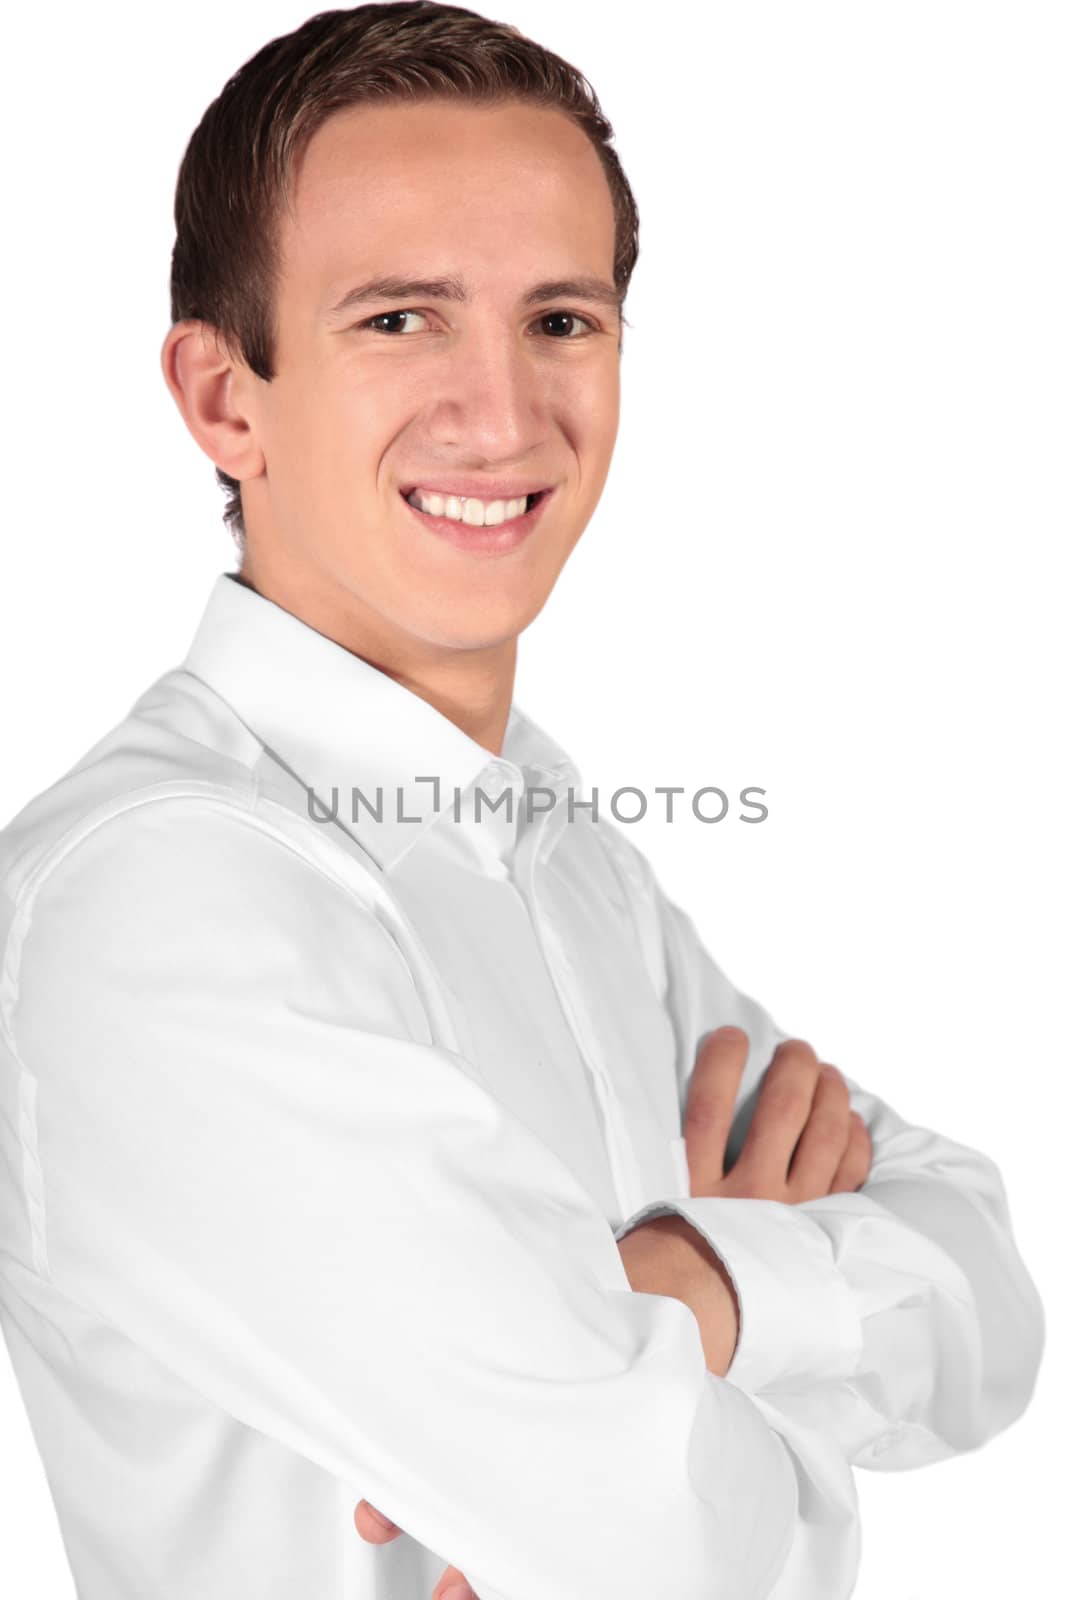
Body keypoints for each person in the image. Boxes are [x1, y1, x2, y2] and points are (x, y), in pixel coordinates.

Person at [0, 4, 1045, 1598]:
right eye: (401, 320)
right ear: (224, 401)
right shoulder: (153, 901)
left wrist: (692, 1288)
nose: (502, 413)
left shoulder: (549, 841)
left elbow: (990, 1305)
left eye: (562, 320)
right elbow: (676, 1555)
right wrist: (783, 1382)